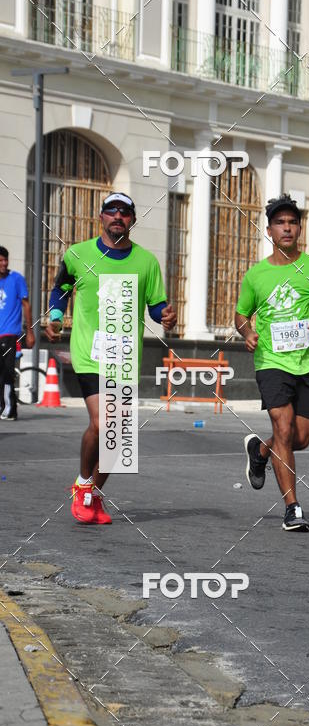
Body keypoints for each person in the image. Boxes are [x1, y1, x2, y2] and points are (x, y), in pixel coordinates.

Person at [45, 192, 177, 525]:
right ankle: (83, 483)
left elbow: (156, 305)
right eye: (111, 211)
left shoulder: (146, 262)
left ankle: (91, 494)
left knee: (120, 440)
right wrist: (56, 314)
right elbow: (60, 288)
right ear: (101, 217)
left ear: (132, 220)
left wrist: (166, 316)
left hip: (126, 357)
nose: (118, 216)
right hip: (90, 352)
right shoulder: (78, 254)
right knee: (104, 424)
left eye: (125, 212)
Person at [235, 194, 309, 532]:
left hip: (308, 364)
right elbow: (241, 315)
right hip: (271, 362)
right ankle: (292, 508)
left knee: (299, 439)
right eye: (280, 223)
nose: (287, 227)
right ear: (269, 230)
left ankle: (260, 449)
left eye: (292, 222)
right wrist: (247, 333)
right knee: (283, 429)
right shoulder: (256, 275)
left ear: (299, 229)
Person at [0, 246, 35, 420]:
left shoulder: (16, 279)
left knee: (6, 370)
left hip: (9, 334)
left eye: (5, 260)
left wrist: (30, 331)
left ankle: (9, 409)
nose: (4, 263)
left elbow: (26, 305)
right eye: (0, 260)